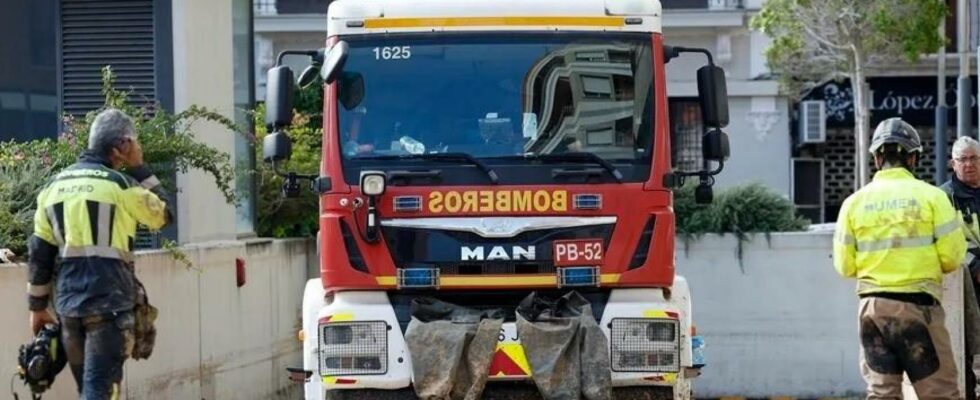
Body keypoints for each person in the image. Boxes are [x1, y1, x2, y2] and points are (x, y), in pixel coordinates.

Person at [27, 108, 172, 399]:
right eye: (134, 142)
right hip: (110, 307)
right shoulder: (121, 186)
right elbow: (165, 213)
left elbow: (39, 253)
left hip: (69, 310)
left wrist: (37, 306)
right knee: (99, 391)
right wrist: (139, 166)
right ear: (123, 145)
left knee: (90, 390)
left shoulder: (53, 189)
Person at [833, 117, 966, 399]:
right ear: (914, 158)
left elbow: (844, 266)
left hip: (872, 311)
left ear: (877, 158)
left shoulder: (853, 203)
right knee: (939, 393)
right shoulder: (932, 198)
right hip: (918, 309)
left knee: (882, 393)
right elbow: (952, 258)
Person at [939, 135, 980, 398]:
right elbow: (946, 241)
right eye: (962, 159)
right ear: (953, 164)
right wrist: (975, 265)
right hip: (964, 282)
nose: (969, 164)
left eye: (973, 158)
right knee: (968, 346)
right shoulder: (944, 197)